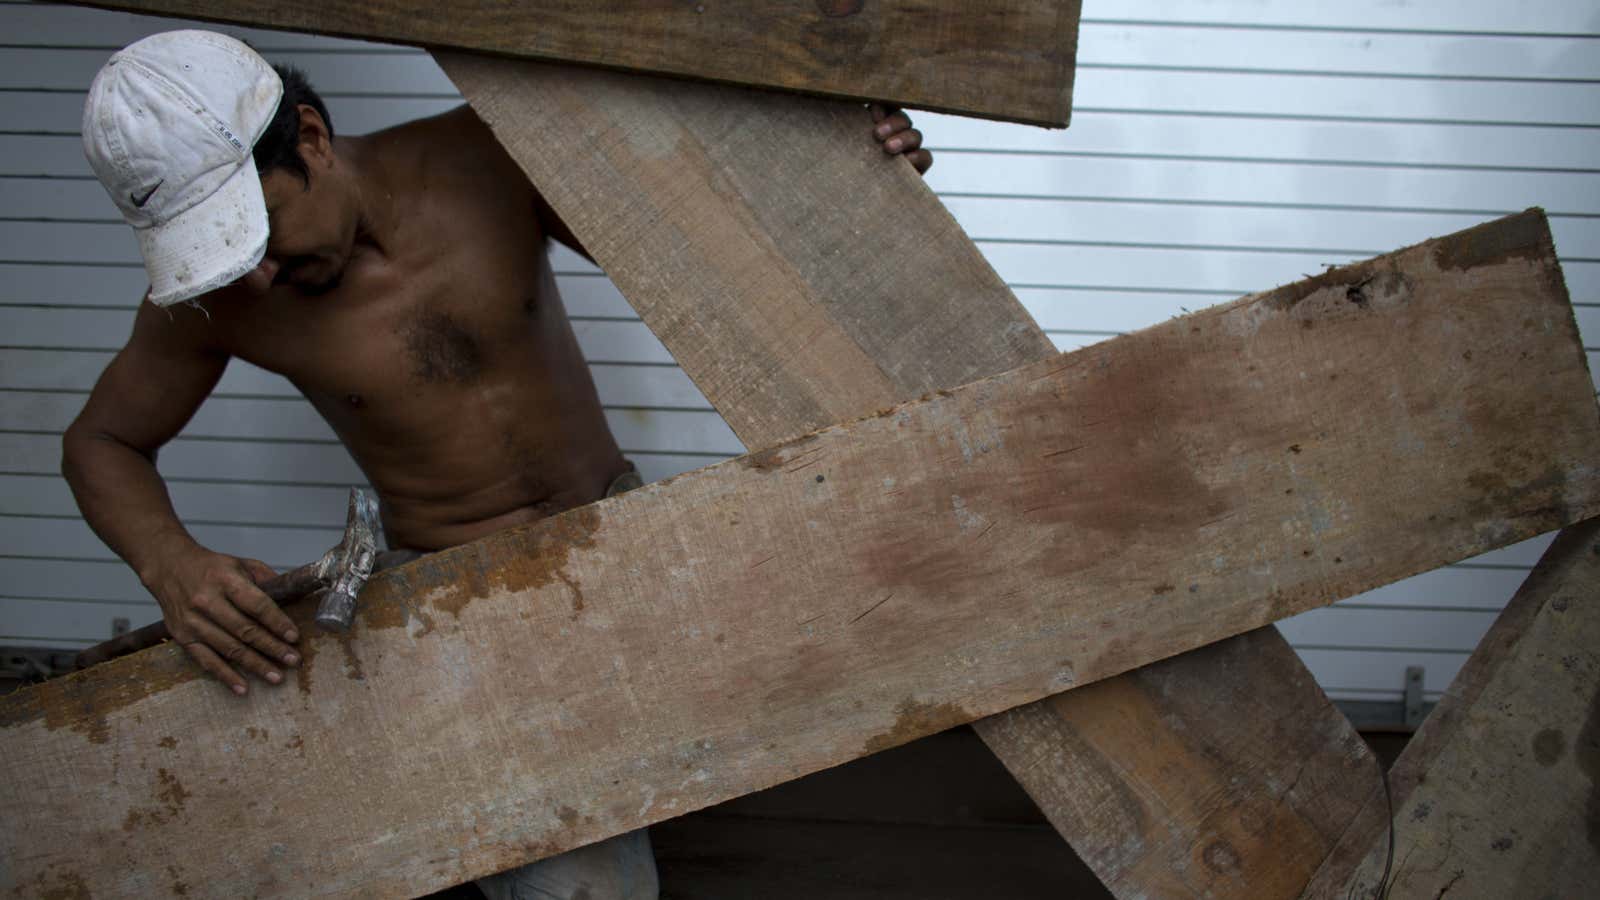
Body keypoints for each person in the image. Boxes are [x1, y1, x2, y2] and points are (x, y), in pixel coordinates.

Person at [62, 28, 932, 900]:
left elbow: (724, 241)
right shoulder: (222, 303)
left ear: (314, 140)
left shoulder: (489, 157)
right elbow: (100, 443)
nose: (252, 280)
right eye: (222, 254)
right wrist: (172, 565)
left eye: (258, 234)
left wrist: (851, 177)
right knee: (577, 893)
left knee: (870, 684)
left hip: (623, 529)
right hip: (456, 595)